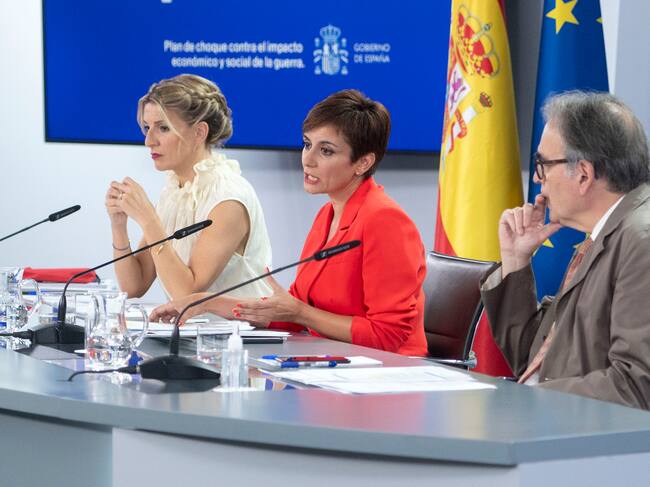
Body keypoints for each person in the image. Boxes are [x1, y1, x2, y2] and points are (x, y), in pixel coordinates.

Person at [152, 89, 428, 356]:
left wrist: (300, 313)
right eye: (307, 144)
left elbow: (387, 336)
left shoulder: (385, 221)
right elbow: (292, 312)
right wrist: (203, 302)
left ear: (363, 163)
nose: (308, 159)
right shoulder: (327, 214)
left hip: (387, 373)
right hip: (333, 362)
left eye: (326, 151)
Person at [480, 91, 650, 409]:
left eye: (543, 165)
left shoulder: (642, 242)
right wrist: (516, 261)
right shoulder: (603, 234)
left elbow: (636, 386)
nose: (538, 180)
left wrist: (530, 399)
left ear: (584, 174)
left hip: (591, 436)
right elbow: (533, 361)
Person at [105, 74, 272, 300]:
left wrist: (148, 219)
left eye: (163, 128)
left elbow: (187, 295)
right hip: (191, 324)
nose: (149, 141)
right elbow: (134, 286)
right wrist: (118, 225)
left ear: (199, 132)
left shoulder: (228, 198)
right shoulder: (176, 191)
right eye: (147, 127)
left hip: (234, 325)